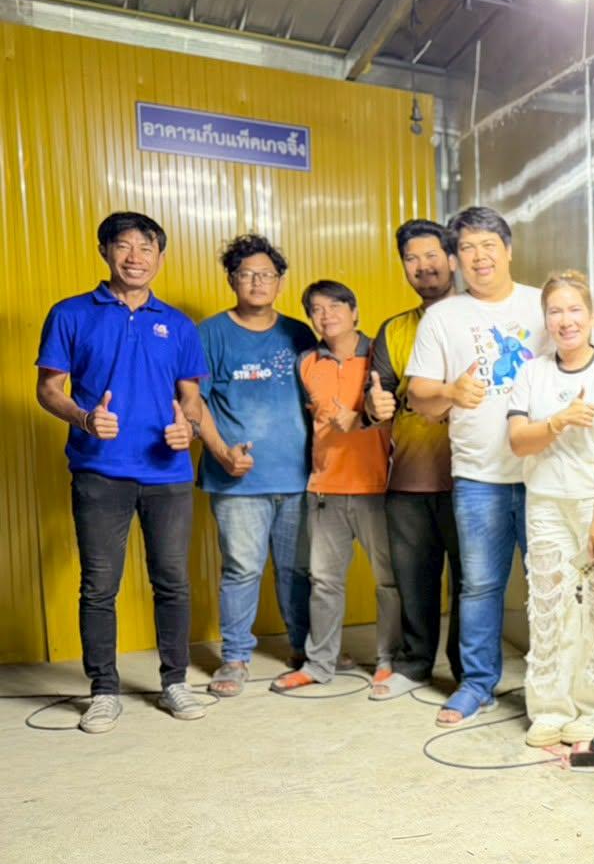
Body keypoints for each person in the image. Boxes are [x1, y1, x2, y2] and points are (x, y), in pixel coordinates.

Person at [34, 211, 210, 731]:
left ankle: (175, 682)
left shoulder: (178, 324)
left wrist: (188, 429)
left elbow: (191, 398)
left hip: (168, 475)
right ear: (105, 251)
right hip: (99, 472)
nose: (135, 257)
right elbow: (48, 389)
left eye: (146, 247)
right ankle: (104, 690)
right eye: (124, 246)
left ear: (160, 257)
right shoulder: (70, 313)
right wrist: (84, 418)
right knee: (99, 586)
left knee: (172, 582)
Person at [406, 206, 546, 726]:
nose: (479, 256)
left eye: (489, 244)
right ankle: (477, 684)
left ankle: (551, 688)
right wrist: (450, 390)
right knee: (480, 586)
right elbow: (418, 395)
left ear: (507, 249)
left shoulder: (542, 305)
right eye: (467, 248)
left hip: (544, 476)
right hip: (478, 477)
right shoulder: (443, 316)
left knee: (549, 584)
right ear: (455, 259)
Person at [506, 270, 594, 746]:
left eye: (575, 309)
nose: (566, 319)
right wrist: (559, 420)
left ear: (592, 316)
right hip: (546, 504)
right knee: (548, 605)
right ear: (546, 320)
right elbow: (519, 441)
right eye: (555, 311)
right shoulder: (531, 373)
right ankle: (550, 709)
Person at [197, 234, 317, 697]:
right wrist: (222, 452)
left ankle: (305, 648)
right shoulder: (210, 334)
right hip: (237, 480)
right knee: (242, 569)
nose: (257, 282)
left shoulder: (299, 334)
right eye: (246, 274)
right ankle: (235, 657)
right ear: (232, 279)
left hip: (298, 476)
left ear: (280, 281)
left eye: (266, 274)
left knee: (297, 570)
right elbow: (193, 402)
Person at [271, 281, 401, 693]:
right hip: (325, 488)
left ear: (354, 311)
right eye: (316, 309)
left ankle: (388, 661)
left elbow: (401, 412)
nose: (326, 315)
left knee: (388, 581)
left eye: (335, 306)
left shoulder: (380, 356)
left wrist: (363, 418)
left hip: (378, 488)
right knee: (324, 583)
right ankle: (319, 664)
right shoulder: (307, 363)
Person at [364, 220, 463, 700]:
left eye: (431, 255)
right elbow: (377, 395)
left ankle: (468, 673)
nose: (422, 266)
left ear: (452, 258)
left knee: (471, 583)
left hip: (471, 478)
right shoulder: (395, 329)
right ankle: (415, 664)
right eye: (411, 259)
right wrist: (373, 405)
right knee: (414, 581)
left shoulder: (476, 319)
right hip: (409, 477)